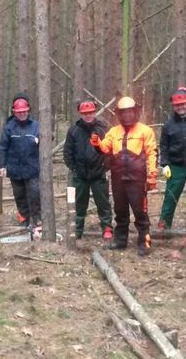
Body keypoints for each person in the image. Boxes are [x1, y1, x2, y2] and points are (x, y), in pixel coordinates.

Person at [91, 96, 158, 256]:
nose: (127, 115)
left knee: (140, 211)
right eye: (124, 113)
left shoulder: (145, 131)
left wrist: (152, 174)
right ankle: (120, 240)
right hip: (118, 177)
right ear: (119, 114)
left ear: (135, 112)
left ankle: (144, 241)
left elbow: (152, 152)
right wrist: (97, 143)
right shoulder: (114, 132)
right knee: (120, 210)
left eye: (130, 112)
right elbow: (105, 148)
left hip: (138, 178)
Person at [63, 100, 113, 240]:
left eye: (90, 113)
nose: (88, 116)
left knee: (103, 203)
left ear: (95, 112)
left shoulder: (103, 128)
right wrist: (73, 167)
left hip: (99, 173)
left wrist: (106, 166)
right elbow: (68, 151)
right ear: (80, 114)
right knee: (79, 205)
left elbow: (110, 149)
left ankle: (107, 227)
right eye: (85, 113)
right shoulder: (74, 130)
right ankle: (77, 230)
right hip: (80, 174)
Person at [0, 93, 42, 233]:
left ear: (28, 110)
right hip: (15, 168)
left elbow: (48, 135)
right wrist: (2, 165)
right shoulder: (9, 127)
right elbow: (3, 147)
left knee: (34, 193)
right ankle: (24, 218)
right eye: (19, 112)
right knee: (19, 195)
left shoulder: (35, 125)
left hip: (32, 167)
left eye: (24, 111)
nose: (22, 114)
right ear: (14, 112)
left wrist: (41, 138)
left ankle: (37, 219)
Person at [158, 87, 186, 235]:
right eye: (177, 105)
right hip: (176, 165)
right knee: (170, 196)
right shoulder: (168, 125)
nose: (180, 107)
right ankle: (164, 225)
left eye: (183, 104)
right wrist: (165, 164)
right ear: (173, 106)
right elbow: (164, 146)